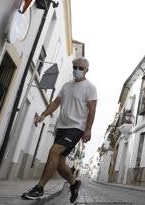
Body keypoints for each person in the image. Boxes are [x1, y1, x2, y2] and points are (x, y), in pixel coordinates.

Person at [22, 57, 97, 203]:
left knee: (54, 151)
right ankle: (74, 184)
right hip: (62, 127)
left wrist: (88, 129)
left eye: (81, 68)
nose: (77, 70)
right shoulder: (66, 85)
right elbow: (56, 102)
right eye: (75, 67)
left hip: (76, 128)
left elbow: (92, 109)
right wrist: (43, 115)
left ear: (86, 70)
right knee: (60, 163)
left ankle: (39, 188)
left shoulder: (90, 87)